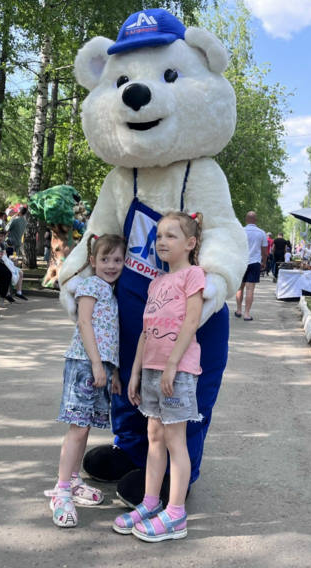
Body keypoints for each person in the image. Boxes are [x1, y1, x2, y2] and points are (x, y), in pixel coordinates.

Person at [116, 212, 204, 542]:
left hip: (177, 371)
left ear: (190, 243)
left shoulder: (193, 275)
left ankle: (176, 514)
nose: (162, 242)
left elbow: (191, 322)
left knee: (174, 440)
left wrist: (172, 365)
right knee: (154, 435)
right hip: (152, 370)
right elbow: (145, 331)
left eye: (171, 235)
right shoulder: (156, 282)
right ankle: (150, 503)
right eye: (159, 236)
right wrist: (136, 372)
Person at [46, 234, 127, 528]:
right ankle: (61, 492)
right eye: (105, 259)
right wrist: (95, 364)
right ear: (93, 261)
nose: (111, 265)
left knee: (85, 427)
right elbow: (84, 322)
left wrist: (112, 371)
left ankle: (73, 480)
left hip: (99, 367)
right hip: (84, 364)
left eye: (117, 260)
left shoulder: (111, 292)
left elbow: (109, 336)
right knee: (78, 430)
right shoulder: (91, 285)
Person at [235, 211, 268, 321]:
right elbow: (264, 251)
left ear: (246, 219)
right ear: (256, 220)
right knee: (250, 289)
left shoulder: (240, 231)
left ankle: (238, 310)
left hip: (241, 262)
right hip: (254, 263)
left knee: (240, 288)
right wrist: (264, 262)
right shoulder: (261, 233)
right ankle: (246, 314)